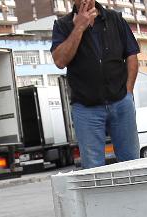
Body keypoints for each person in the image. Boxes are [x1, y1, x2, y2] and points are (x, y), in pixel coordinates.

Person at [51, 0, 140, 169]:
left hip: (121, 102)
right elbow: (60, 61)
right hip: (86, 108)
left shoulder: (115, 18)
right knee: (93, 169)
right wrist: (79, 27)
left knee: (133, 164)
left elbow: (132, 56)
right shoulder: (62, 25)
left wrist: (128, 93)